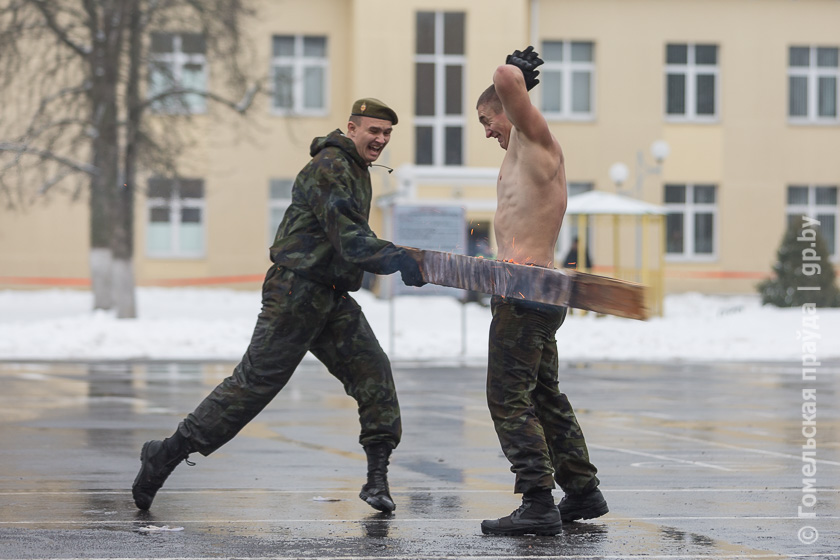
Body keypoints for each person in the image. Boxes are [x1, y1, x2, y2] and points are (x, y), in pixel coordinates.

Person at [132, 98, 425, 514]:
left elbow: (352, 235)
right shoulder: (330, 166)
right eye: (373, 130)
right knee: (254, 386)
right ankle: (164, 455)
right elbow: (349, 238)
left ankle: (377, 479)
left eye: (387, 133)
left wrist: (399, 257)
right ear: (352, 128)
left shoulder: (356, 169)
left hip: (330, 294)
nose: (380, 139)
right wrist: (399, 258)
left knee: (373, 372)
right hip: (297, 291)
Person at [475, 47, 608, 536]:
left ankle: (536, 500)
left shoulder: (537, 142)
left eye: (488, 118)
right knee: (545, 395)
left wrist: (518, 76)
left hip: (526, 292)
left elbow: (504, 76)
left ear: (509, 109)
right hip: (532, 290)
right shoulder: (517, 155)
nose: (486, 129)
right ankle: (582, 491)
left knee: (508, 398)